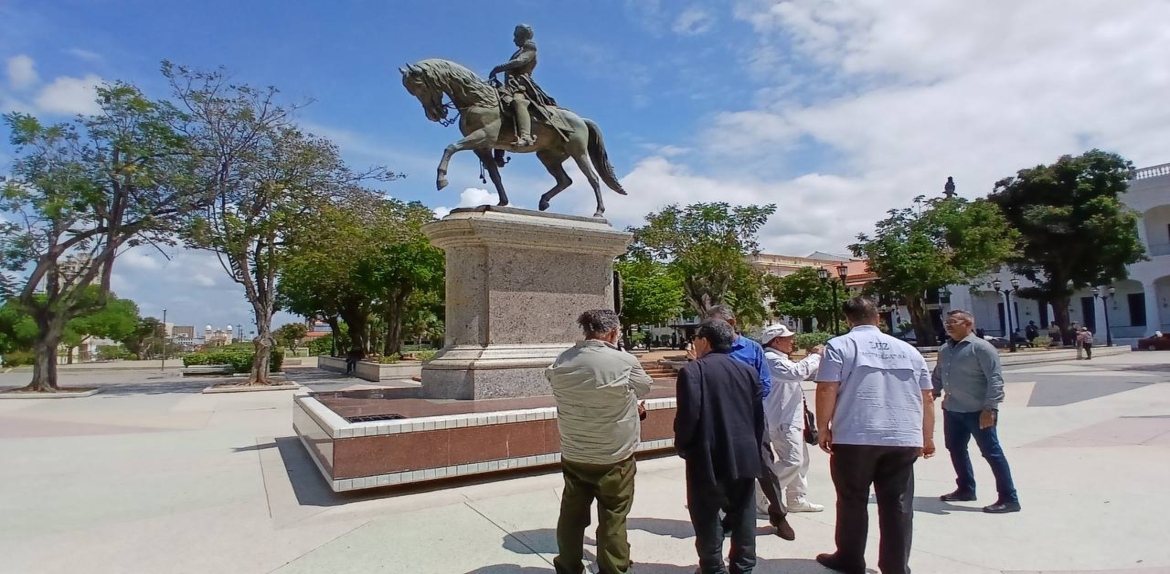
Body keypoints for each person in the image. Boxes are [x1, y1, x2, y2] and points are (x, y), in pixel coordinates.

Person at [814, 297, 936, 574]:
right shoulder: (908, 350)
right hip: (902, 436)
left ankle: (850, 558)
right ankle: (895, 566)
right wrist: (927, 436)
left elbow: (826, 388)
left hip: (856, 434)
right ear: (878, 318)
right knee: (898, 504)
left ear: (848, 320)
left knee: (852, 498)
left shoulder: (840, 345)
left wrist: (823, 428)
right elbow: (927, 396)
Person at [545, 309, 653, 574]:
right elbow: (645, 387)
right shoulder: (624, 361)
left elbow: (555, 382)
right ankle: (613, 567)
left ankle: (568, 566)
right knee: (613, 516)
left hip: (574, 453)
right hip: (615, 456)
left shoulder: (563, 359)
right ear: (613, 332)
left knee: (571, 515)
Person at [675, 318, 767, 574]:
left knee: (706, 514)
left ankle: (712, 566)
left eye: (695, 338)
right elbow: (758, 417)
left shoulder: (693, 372)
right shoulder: (747, 371)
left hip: (707, 455)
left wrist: (682, 446)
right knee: (744, 512)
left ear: (704, 341)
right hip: (744, 453)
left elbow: (688, 417)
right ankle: (743, 566)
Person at [705, 305, 796, 540]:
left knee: (764, 463)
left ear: (731, 323)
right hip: (721, 418)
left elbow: (764, 383)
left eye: (715, 324)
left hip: (751, 414)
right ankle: (731, 515)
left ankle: (778, 513)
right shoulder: (709, 350)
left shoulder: (752, 349)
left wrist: (742, 402)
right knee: (725, 467)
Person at [932, 310, 1020, 515]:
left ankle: (1009, 498)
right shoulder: (945, 349)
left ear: (968, 324)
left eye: (953, 322)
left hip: (978, 411)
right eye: (947, 322)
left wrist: (990, 408)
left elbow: (995, 379)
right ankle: (965, 488)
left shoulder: (981, 348)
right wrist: (932, 393)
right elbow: (938, 374)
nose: (948, 325)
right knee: (955, 449)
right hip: (952, 409)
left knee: (992, 453)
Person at [758, 323, 824, 513]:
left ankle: (796, 498)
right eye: (788, 339)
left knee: (801, 461)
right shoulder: (771, 359)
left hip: (791, 418)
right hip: (782, 420)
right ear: (776, 341)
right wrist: (815, 355)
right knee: (792, 461)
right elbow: (797, 373)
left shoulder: (779, 359)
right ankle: (760, 492)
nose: (792, 342)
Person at [489, 23, 560, 148]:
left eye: (516, 37)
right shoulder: (520, 50)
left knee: (518, 102)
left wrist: (497, 68)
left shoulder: (530, 48)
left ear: (523, 36)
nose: (514, 40)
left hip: (522, 86)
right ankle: (498, 149)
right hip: (511, 86)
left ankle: (526, 137)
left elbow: (519, 62)